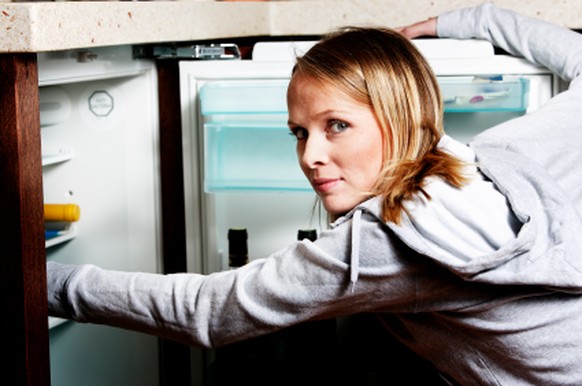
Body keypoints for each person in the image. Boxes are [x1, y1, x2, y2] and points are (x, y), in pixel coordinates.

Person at [47, 3, 582, 384]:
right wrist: (456, 22)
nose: (310, 156)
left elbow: (208, 311)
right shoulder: (506, 155)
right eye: (299, 132)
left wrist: (34, 276)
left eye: (337, 126)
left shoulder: (389, 238)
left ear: (400, 117)